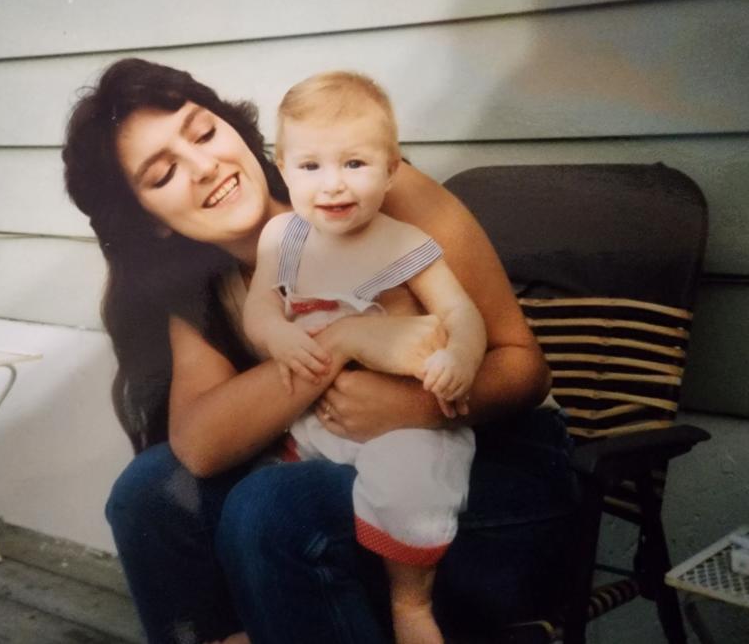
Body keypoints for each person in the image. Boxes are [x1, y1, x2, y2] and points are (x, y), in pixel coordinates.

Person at [62, 58, 579, 644]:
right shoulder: (203, 287)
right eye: (163, 175)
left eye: (204, 132)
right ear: (149, 221)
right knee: (150, 493)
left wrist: (412, 405)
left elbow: (523, 366)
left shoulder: (367, 191)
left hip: (493, 470)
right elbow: (199, 446)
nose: (205, 167)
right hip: (350, 475)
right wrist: (343, 340)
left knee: (272, 508)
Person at [242, 71, 485, 644]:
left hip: (395, 417)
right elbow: (258, 307)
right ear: (283, 167)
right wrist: (277, 337)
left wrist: (461, 359)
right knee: (261, 482)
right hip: (317, 421)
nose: (333, 186)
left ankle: (411, 603)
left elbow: (461, 314)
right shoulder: (284, 238)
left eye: (355, 164)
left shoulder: (402, 243)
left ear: (392, 168)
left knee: (411, 474)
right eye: (311, 166)